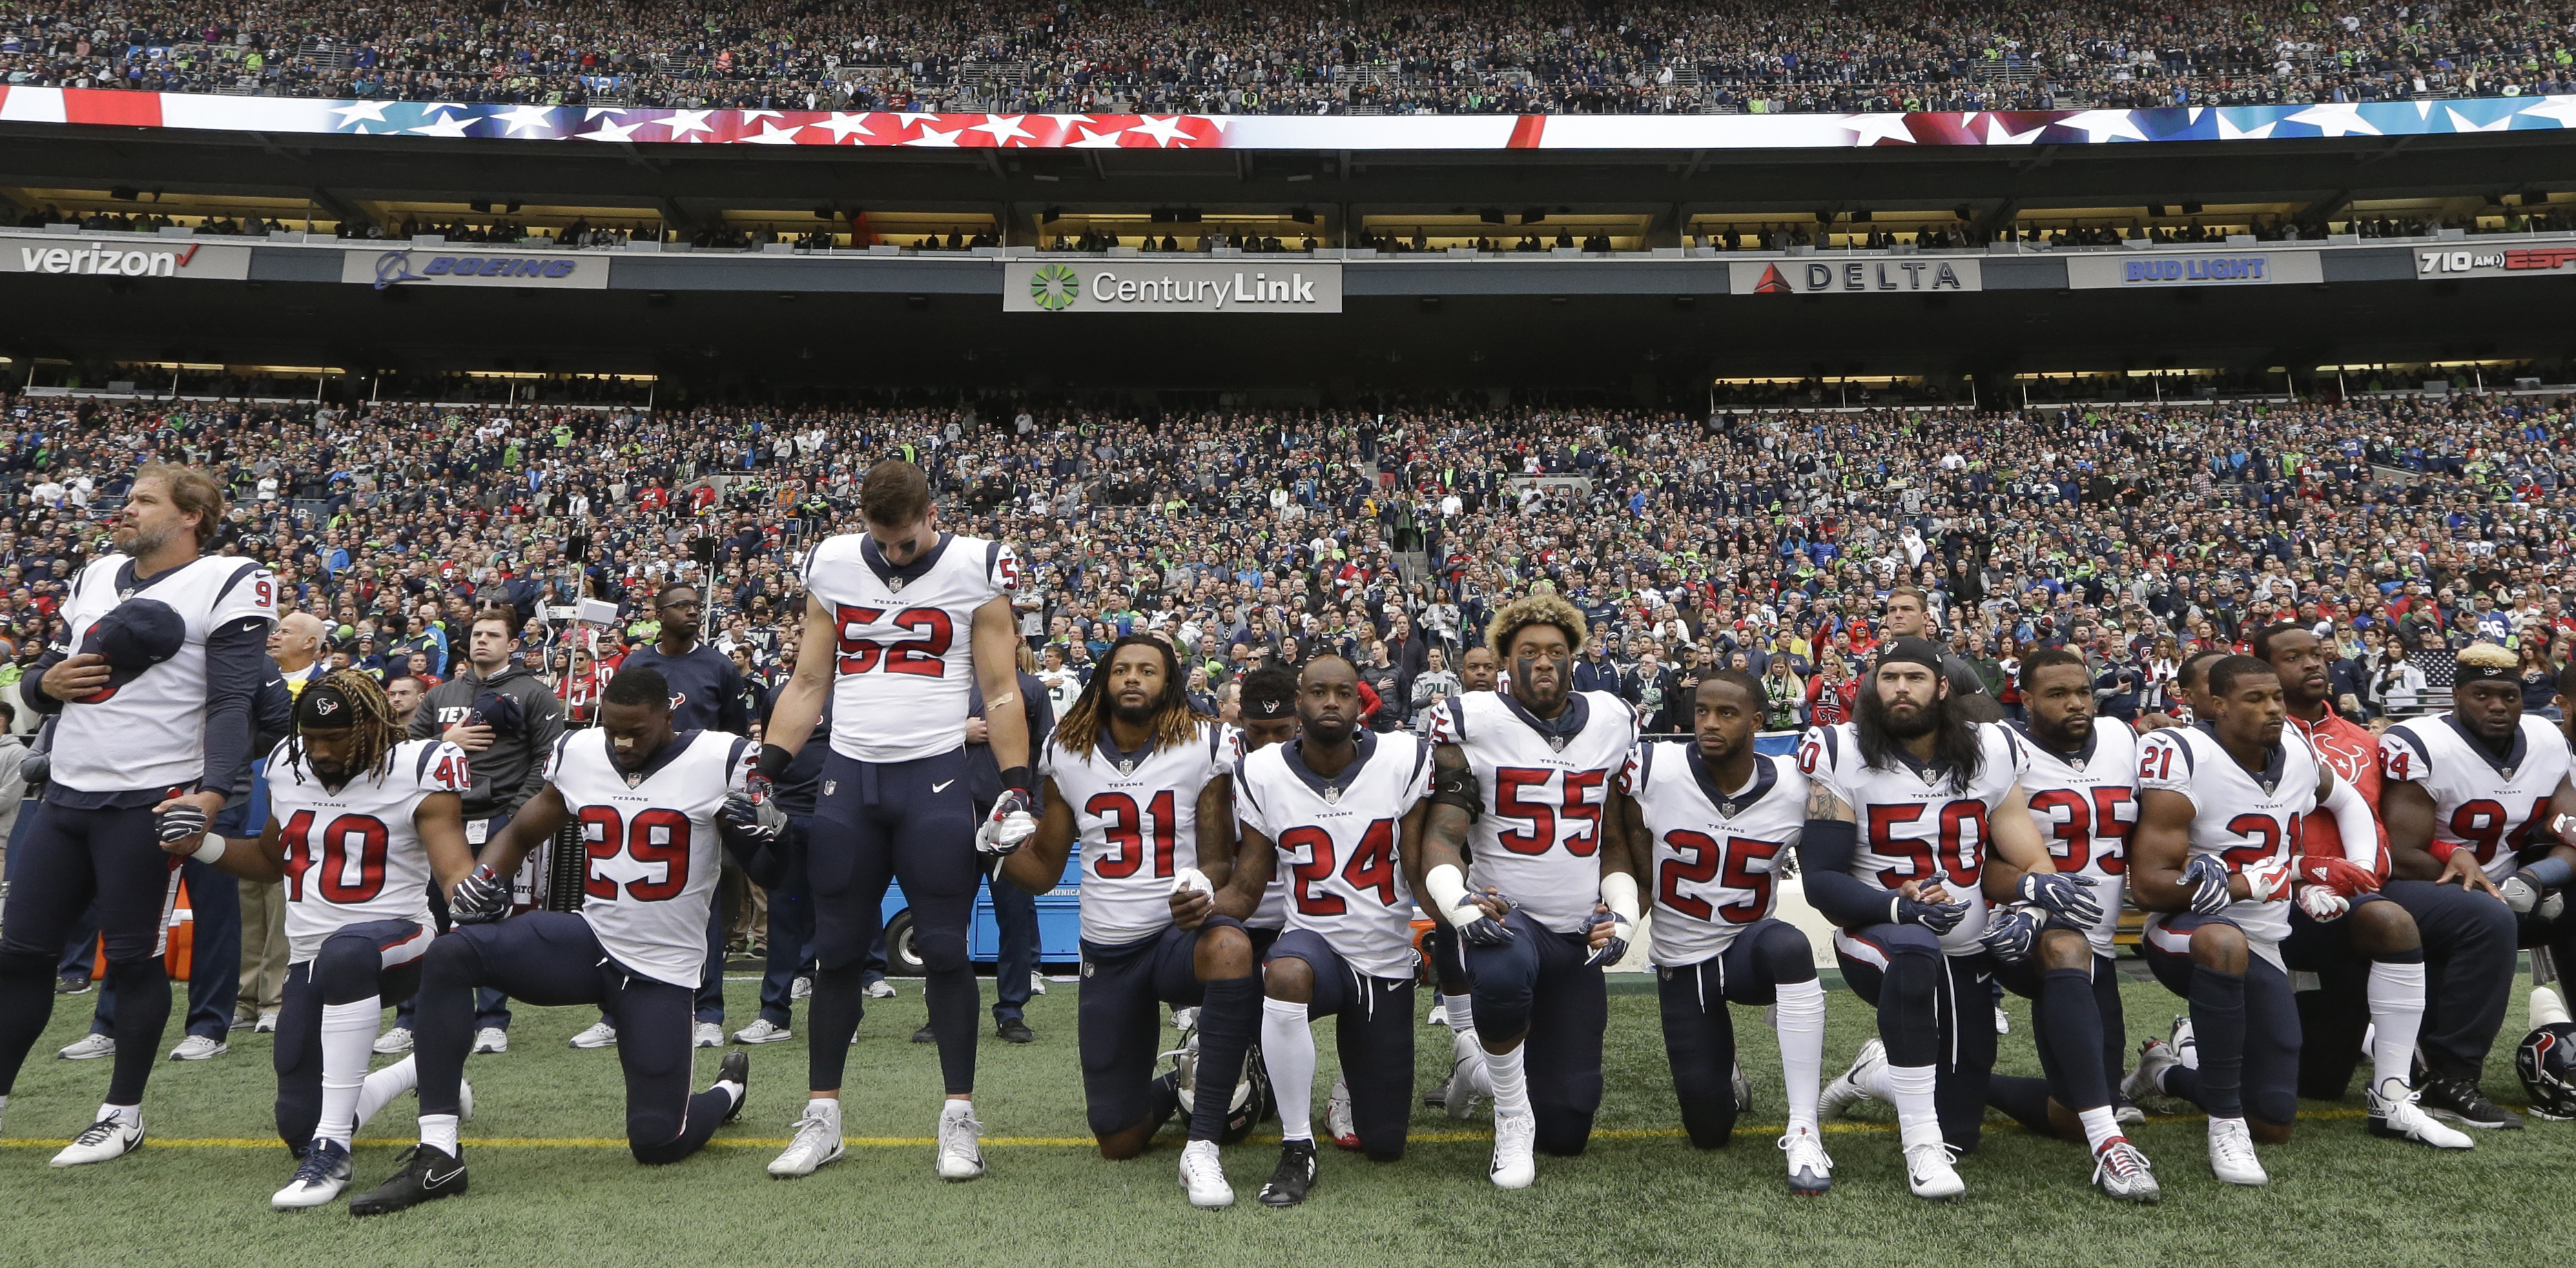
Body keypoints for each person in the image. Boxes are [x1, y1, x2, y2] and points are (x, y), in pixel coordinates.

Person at [345, 667, 778, 1214]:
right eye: (612, 730)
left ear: (671, 712)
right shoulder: (580, 750)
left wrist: (775, 835)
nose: (621, 744)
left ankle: (726, 1091)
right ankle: (438, 1153)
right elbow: (525, 830)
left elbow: (772, 873)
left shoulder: (722, 757)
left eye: (636, 732)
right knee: (453, 951)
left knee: (657, 1142)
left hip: (661, 970)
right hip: (590, 940)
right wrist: (486, 878)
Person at [757, 460, 1033, 1183]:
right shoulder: (836, 562)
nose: (893, 554)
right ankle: (822, 1115)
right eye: (882, 540)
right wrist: (767, 766)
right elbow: (810, 679)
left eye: (905, 541)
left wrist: (1015, 785)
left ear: (930, 514)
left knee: (944, 947)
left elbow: (1001, 687)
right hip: (849, 774)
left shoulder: (978, 563)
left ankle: (958, 1117)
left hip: (934, 774)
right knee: (838, 951)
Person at [0, 464, 276, 1166]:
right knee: (20, 953)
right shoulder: (97, 573)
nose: (125, 509)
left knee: (132, 958)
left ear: (191, 515)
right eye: (126, 497)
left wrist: (212, 794)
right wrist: (41, 682)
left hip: (149, 795)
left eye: (144, 500)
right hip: (66, 790)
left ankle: (122, 1114)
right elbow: (50, 672)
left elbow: (231, 700)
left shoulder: (230, 575)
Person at [2124, 655, 2448, 1190]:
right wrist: (2253, 883)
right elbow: (2151, 884)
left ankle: (2166, 1072)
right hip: (2186, 933)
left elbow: (2346, 801)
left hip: (2266, 937)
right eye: (2255, 699)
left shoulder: (2295, 751)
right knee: (2225, 941)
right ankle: (2223, 1125)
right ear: (2219, 704)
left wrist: (2341, 873)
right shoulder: (2181, 753)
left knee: (2274, 1119)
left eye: (2275, 696)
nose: (2272, 708)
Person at [185, 671, 474, 1208]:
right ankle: (418, 1070)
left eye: (334, 738)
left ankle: (334, 1149)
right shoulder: (288, 766)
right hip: (313, 958)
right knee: (295, 1123)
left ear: (371, 725)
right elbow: (271, 863)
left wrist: (472, 893)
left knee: (347, 951)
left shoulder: (419, 766)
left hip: (399, 941)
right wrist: (197, 845)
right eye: (310, 738)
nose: (318, 751)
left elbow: (453, 869)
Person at [1795, 637, 2061, 1200]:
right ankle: (1919, 1145)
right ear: (1872, 686)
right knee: (1914, 947)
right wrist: (1899, 906)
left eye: (1913, 677)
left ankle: (1874, 1074)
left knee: (1963, 1131)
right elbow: (1821, 881)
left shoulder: (1989, 748)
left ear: (1942, 688)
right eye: (1887, 677)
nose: (1899, 689)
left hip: (1965, 947)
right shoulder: (1839, 749)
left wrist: (2031, 905)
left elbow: (2031, 858)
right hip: (1879, 935)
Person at [1004, 635, 1256, 1207]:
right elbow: (1044, 869)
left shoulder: (1202, 742)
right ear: (1104, 680)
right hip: (1109, 952)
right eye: (1122, 670)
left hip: (1176, 936)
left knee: (1230, 948)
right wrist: (992, 848)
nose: (1134, 679)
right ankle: (1190, 1083)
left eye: (1148, 670)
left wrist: (1198, 889)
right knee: (1117, 1138)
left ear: (1168, 682)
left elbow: (1218, 855)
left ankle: (1203, 1146)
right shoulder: (1065, 751)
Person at [1421, 593, 1640, 1189]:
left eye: (1555, 652)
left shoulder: (1612, 718)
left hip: (1573, 936)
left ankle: (1476, 1066)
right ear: (1503, 663)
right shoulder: (1471, 720)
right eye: (1528, 653)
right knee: (1499, 961)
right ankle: (1511, 1119)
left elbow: (1615, 838)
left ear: (1574, 658)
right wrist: (1457, 900)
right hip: (1508, 917)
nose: (1543, 663)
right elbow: (1442, 832)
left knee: (1569, 1128)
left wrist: (1622, 915)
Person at [1208, 654, 1432, 1207]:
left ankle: (1346, 1087)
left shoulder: (1402, 758)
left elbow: (1418, 869)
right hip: (1314, 947)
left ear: (1360, 704)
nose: (1329, 702)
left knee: (1385, 1143)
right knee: (1283, 970)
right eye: (1316, 692)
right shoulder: (1262, 773)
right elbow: (1247, 886)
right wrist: (1200, 907)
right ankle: (1296, 1144)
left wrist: (1463, 910)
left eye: (1342, 693)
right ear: (1299, 702)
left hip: (1382, 958)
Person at [1607, 671, 1833, 1193]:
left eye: (1726, 713)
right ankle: (1725, 1074)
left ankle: (1803, 1126)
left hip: (1748, 949)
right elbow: (1631, 864)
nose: (1708, 723)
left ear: (1756, 721)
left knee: (1789, 944)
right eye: (1701, 711)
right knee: (1708, 1132)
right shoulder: (1653, 769)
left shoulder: (1796, 786)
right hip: (1682, 961)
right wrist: (1619, 916)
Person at [2253, 623, 2470, 1146]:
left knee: (2322, 1083)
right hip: (2259, 898)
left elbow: (2373, 818)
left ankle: (2402, 1089)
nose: (2312, 664)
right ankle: (2190, 1048)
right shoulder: (2237, 742)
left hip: (2352, 894)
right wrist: (2306, 874)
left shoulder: (2362, 741)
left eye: (2317, 653)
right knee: (2290, 1096)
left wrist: (2439, 852)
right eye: (2293, 657)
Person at [1979, 648, 2161, 1200]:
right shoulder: (2000, 746)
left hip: (2100, 939)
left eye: (2081, 690)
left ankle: (1917, 1077)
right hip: (2027, 931)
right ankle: (2110, 1149)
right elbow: (1975, 859)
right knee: (2063, 951)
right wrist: (2031, 892)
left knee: (2070, 1113)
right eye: (2057, 694)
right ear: (2026, 700)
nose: (2075, 702)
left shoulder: (2121, 738)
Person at [2378, 642, 2576, 1128]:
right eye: (2481, 694)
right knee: (2485, 916)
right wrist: (2488, 886)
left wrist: (2536, 877)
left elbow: (2570, 828)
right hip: (2421, 885)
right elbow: (2401, 855)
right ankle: (2450, 1077)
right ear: (2456, 695)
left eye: (2507, 696)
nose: (2496, 706)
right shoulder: (2420, 742)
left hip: (2510, 883)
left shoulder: (2546, 740)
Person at [384, 606, 566, 1057]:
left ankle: (491, 1020)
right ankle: (410, 1018)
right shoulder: (441, 693)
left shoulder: (534, 694)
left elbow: (549, 762)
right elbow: (406, 755)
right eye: (477, 634)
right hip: (439, 819)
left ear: (512, 643)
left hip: (500, 819)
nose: (482, 640)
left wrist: (516, 815)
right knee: (426, 917)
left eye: (492, 634)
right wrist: (445, 744)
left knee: (486, 918)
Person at [575, 583, 747, 1051]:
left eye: (697, 605)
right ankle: (614, 1012)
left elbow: (733, 734)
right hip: (638, 792)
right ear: (658, 613)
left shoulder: (718, 666)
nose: (693, 612)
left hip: (696, 797)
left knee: (701, 903)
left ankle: (706, 1012)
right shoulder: (635, 665)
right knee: (623, 900)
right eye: (683, 606)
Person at [954, 658, 1054, 1044]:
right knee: (947, 919)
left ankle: (1011, 1010)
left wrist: (1037, 817)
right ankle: (944, 1010)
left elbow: (1047, 757)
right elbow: (917, 740)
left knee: (1014, 918)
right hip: (954, 815)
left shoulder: (1031, 689)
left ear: (1015, 641)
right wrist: (960, 731)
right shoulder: (952, 686)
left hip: (1010, 818)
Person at [1877, 586, 1997, 722]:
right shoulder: (1878, 672)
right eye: (1892, 610)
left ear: (1925, 618)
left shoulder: (1954, 668)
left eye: (1907, 609)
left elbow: (1991, 718)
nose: (1898, 615)